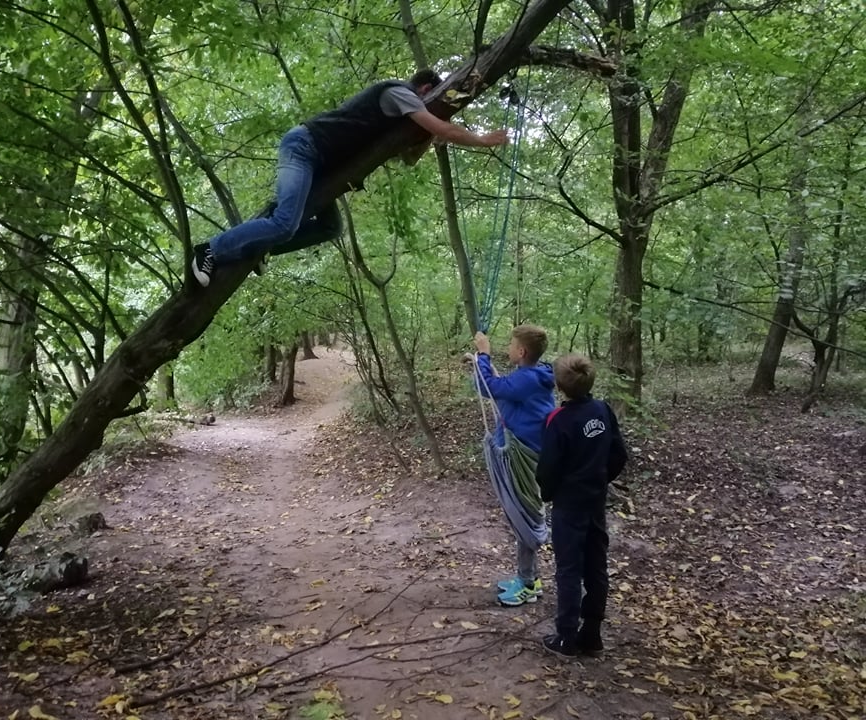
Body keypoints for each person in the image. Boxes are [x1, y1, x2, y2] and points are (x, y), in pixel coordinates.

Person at [191, 68, 508, 287]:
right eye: (431, 99)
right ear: (426, 90)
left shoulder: (402, 111)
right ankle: (209, 250)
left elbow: (410, 158)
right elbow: (442, 128)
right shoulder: (399, 93)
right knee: (284, 222)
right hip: (304, 146)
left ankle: (258, 249)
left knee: (331, 228)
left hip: (322, 164)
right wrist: (481, 139)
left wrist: (426, 137)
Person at [536, 354, 628, 658]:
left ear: (559, 386)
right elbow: (618, 454)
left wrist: (548, 494)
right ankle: (591, 634)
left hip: (569, 506)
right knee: (595, 565)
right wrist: (600, 480)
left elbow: (547, 468)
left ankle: (567, 638)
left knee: (569, 569)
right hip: (594, 502)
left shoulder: (558, 420)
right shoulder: (602, 410)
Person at [472, 326, 555, 606]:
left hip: (525, 457)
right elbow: (502, 390)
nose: (507, 347)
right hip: (525, 453)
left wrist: (483, 354)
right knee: (523, 514)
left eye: (510, 344)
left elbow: (487, 388)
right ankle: (530, 576)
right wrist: (481, 363)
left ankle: (527, 584)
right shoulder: (530, 376)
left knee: (524, 516)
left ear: (521, 352)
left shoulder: (528, 380)